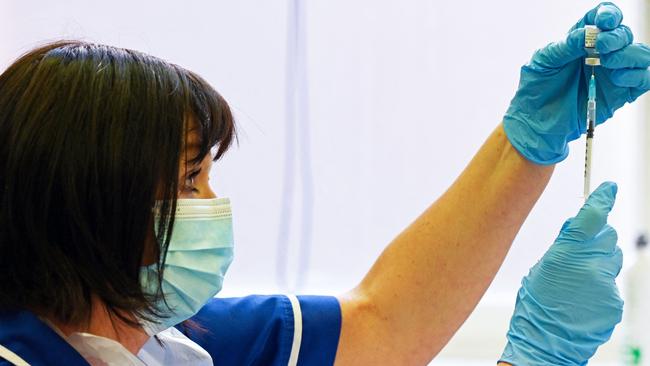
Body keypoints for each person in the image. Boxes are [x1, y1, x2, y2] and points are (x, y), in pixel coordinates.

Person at [0, 2, 645, 365]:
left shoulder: (171, 343)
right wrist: (536, 357)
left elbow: (383, 324)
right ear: (92, 201)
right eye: (191, 182)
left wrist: (526, 145)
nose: (214, 208)